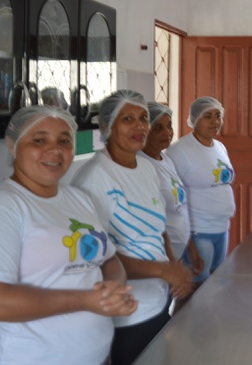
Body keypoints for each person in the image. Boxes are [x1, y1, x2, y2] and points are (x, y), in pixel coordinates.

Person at [0, 106, 137, 365]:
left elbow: (109, 260)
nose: (55, 150)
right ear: (12, 145)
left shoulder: (79, 199)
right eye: (39, 140)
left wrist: (112, 288)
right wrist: (87, 301)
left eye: (64, 141)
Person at [71, 90, 193, 365]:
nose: (139, 126)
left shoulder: (146, 168)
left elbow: (158, 227)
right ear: (107, 126)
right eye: (128, 119)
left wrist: (172, 267)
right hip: (126, 313)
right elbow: (94, 257)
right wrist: (163, 271)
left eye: (143, 118)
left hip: (158, 299)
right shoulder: (94, 179)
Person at [165, 96, 236, 284]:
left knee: (216, 282)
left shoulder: (219, 147)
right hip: (198, 232)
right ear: (194, 119)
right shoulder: (180, 151)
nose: (215, 121)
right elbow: (172, 198)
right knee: (197, 285)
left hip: (221, 228)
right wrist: (188, 243)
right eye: (207, 116)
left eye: (218, 116)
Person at [139, 102, 204, 279]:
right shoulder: (141, 166)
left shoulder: (164, 159)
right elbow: (153, 220)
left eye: (169, 126)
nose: (167, 132)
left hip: (178, 251)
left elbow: (180, 208)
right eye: (158, 128)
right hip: (161, 257)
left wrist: (191, 249)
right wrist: (171, 263)